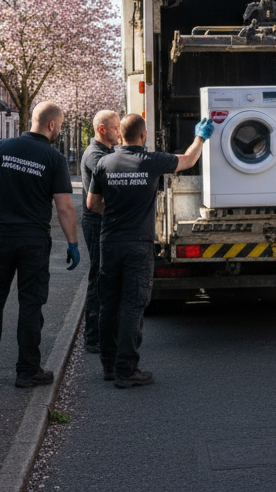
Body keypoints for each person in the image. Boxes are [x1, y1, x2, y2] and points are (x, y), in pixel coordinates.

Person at [87, 113, 213, 388]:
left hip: (110, 242)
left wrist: (116, 210)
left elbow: (92, 204)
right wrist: (201, 136)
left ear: (120, 135)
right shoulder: (152, 161)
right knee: (133, 305)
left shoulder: (104, 162)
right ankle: (126, 369)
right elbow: (189, 160)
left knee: (109, 304)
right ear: (143, 136)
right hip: (138, 244)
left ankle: (109, 366)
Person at [0, 102, 81, 387]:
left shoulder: (2, 148)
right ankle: (27, 370)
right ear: (52, 125)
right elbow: (64, 207)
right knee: (30, 305)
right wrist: (73, 242)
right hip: (33, 241)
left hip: (0, 238)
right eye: (61, 124)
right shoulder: (53, 158)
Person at [79, 109, 121, 354]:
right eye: (116, 127)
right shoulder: (96, 155)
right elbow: (109, 187)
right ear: (102, 129)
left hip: (102, 222)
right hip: (97, 223)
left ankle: (100, 333)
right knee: (97, 278)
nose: (119, 132)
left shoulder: (106, 152)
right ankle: (93, 336)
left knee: (102, 276)